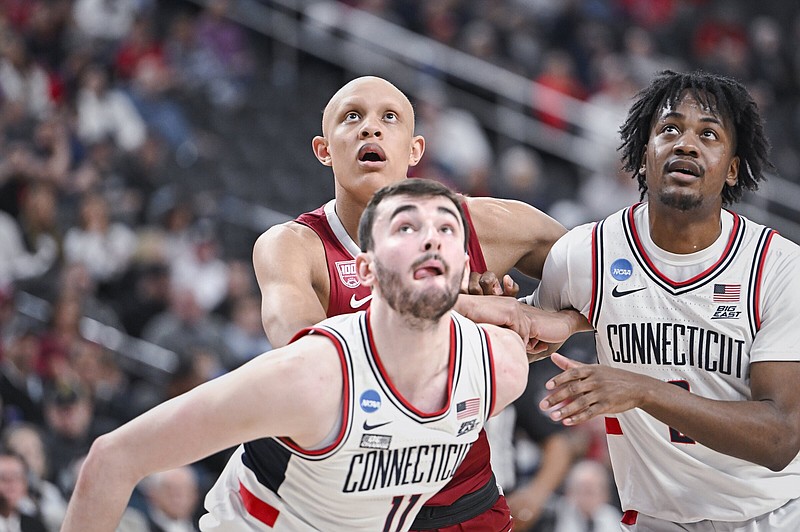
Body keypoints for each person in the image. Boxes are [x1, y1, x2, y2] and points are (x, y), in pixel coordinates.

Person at [61, 178, 531, 531]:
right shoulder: (310, 379)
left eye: (447, 229)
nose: (430, 239)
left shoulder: (502, 368)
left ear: (467, 264)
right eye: (406, 227)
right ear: (365, 269)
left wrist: (567, 321)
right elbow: (111, 460)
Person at [252, 75, 584, 531]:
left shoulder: (479, 224)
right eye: (353, 117)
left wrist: (552, 322)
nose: (371, 128)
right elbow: (304, 351)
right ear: (324, 149)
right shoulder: (292, 246)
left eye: (389, 118)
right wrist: (472, 311)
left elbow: (611, 283)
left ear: (414, 149)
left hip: (463, 501)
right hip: (346, 505)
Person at [529, 70, 800, 530]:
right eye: (669, 129)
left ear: (733, 167)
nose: (686, 144)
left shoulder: (779, 267)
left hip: (770, 514)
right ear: (641, 156)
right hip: (656, 519)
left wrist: (640, 389)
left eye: (709, 134)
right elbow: (523, 340)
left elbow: (780, 438)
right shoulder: (584, 254)